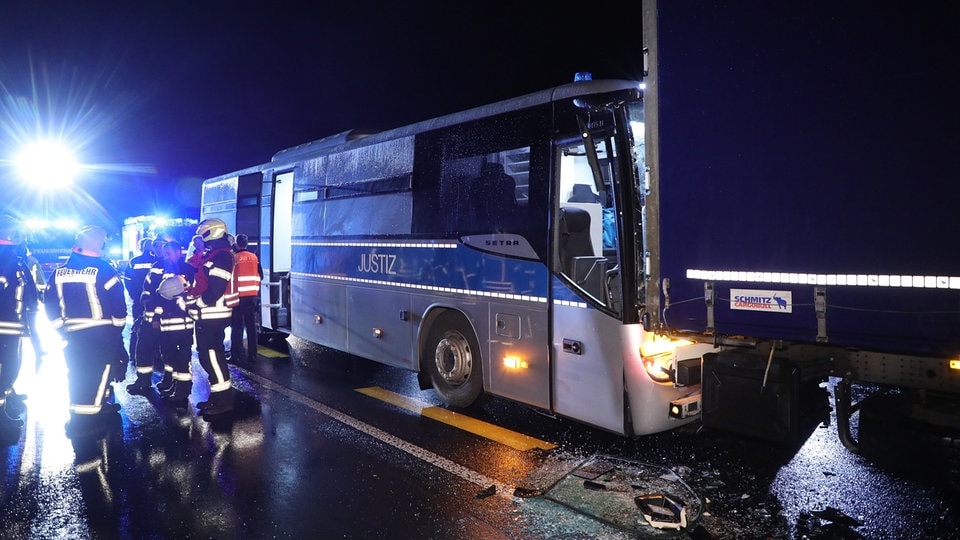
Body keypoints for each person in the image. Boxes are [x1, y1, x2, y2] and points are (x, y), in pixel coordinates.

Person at [44, 225, 127, 439]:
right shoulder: (105, 270)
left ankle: (91, 409)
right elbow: (119, 307)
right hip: (101, 335)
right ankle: (86, 422)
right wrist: (116, 333)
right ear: (99, 244)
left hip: (72, 336)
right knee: (98, 376)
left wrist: (62, 329)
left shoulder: (58, 272)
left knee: (79, 375)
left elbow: (50, 305)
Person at [129, 241, 196, 406]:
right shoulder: (156, 267)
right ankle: (143, 381)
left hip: (172, 319)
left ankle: (171, 382)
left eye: (169, 253)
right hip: (152, 316)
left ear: (178, 253)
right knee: (144, 347)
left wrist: (162, 310)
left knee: (172, 354)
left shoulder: (187, 270)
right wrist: (147, 303)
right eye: (164, 252)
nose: (165, 256)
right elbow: (147, 289)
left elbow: (182, 294)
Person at [185, 218, 238, 417]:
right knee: (207, 357)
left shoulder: (222, 256)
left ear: (212, 232)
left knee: (213, 358)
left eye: (204, 233)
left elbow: (215, 289)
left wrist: (197, 304)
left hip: (213, 314)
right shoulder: (215, 254)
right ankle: (217, 397)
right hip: (208, 314)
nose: (202, 237)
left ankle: (224, 401)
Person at [0, 215, 38, 435]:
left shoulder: (13, 257)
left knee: (11, 367)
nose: (25, 237)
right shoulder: (5, 260)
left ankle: (8, 396)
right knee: (7, 368)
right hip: (5, 327)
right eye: (20, 232)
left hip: (12, 326)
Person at [123, 238, 156, 371]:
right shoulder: (157, 261)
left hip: (138, 300)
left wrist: (134, 295)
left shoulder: (134, 261)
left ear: (141, 247)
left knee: (137, 326)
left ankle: (134, 355)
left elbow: (128, 280)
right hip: (154, 299)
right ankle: (155, 355)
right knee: (154, 325)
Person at [229, 234, 262, 364]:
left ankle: (236, 354)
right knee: (251, 327)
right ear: (247, 244)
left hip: (238, 297)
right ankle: (253, 354)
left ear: (237, 243)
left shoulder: (234, 258)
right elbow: (260, 276)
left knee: (237, 327)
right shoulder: (254, 257)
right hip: (252, 297)